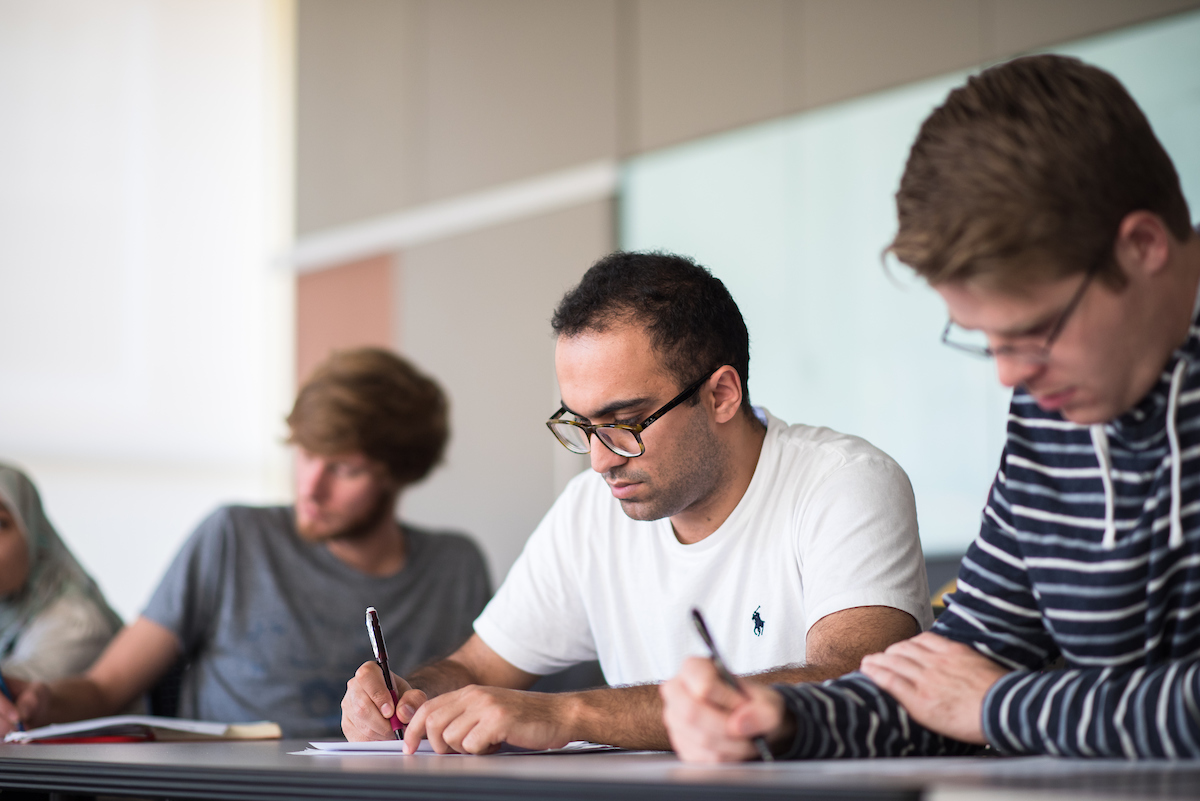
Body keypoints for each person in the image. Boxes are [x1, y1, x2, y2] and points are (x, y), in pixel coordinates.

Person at [660, 53, 1200, 761]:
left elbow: (977, 697)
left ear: (1142, 247)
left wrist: (1000, 703)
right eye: (987, 340)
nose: (1011, 375)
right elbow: (949, 673)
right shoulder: (1051, 413)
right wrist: (782, 717)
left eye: (1034, 331)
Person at [341, 251, 933, 753]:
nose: (600, 460)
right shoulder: (588, 514)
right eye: (581, 426)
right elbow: (473, 668)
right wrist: (411, 694)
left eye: (624, 422)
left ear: (722, 394)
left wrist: (568, 716)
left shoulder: (843, 483)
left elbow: (858, 683)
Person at [0, 348, 491, 738]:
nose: (310, 488)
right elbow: (105, 688)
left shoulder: (456, 566)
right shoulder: (233, 537)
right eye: (305, 454)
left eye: (345, 468)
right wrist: (42, 699)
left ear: (398, 472)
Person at [0, 464, 122, 683]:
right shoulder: (8, 612)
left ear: (35, 534)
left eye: (1, 524)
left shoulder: (78, 623)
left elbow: (18, 698)